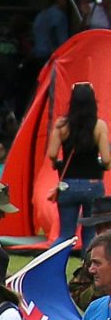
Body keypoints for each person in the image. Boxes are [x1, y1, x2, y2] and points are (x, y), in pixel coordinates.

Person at [50, 81, 108, 244]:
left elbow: (52, 153)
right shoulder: (99, 126)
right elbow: (107, 159)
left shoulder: (62, 125)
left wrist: (57, 163)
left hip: (68, 184)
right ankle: (88, 267)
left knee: (65, 234)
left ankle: (51, 265)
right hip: (93, 183)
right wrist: (104, 165)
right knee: (91, 234)